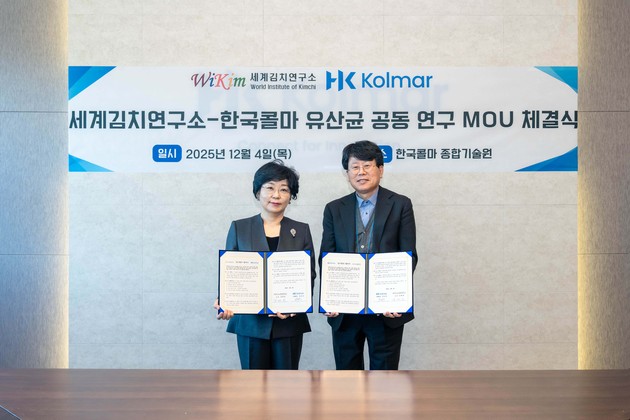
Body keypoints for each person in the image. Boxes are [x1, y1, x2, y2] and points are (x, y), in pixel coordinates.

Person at [319, 140, 418, 370]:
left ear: (380, 170)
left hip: (386, 310)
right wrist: (330, 298)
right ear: (347, 173)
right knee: (347, 378)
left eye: (367, 166)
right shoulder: (334, 209)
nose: (361, 172)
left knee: (385, 378)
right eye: (354, 167)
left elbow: (409, 255)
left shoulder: (401, 204)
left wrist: (396, 297)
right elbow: (327, 257)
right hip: (345, 310)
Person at [214, 160, 315, 370]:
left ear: (291, 195)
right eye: (269, 188)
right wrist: (225, 300)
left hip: (288, 324)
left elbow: (309, 275)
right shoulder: (239, 228)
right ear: (258, 192)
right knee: (253, 385)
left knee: (286, 385)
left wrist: (295, 306)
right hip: (250, 325)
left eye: (284, 189)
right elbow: (230, 273)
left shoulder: (301, 230)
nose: (276, 195)